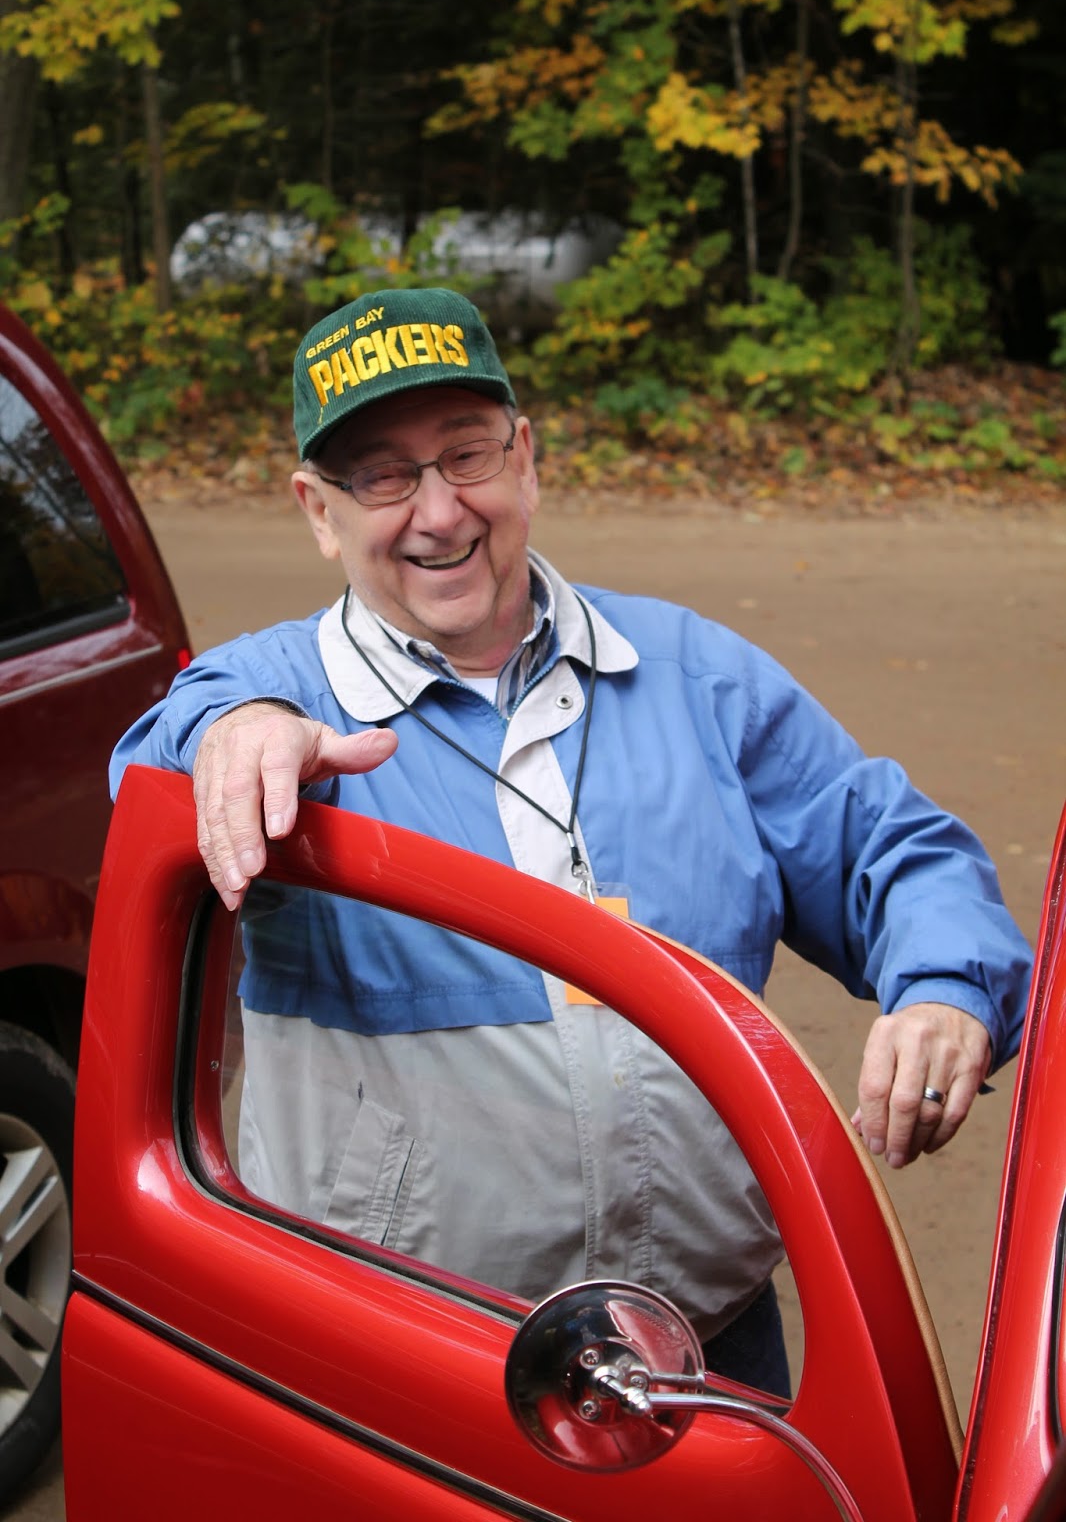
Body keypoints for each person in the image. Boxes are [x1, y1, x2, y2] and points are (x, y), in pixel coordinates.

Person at [110, 286, 1032, 1399]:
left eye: (467, 456)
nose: (440, 512)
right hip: (400, 1358)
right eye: (384, 477)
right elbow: (161, 762)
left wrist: (944, 988)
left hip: (707, 1346)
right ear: (319, 510)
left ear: (527, 460)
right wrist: (234, 734)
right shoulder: (275, 696)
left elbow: (895, 849)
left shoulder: (695, 678)